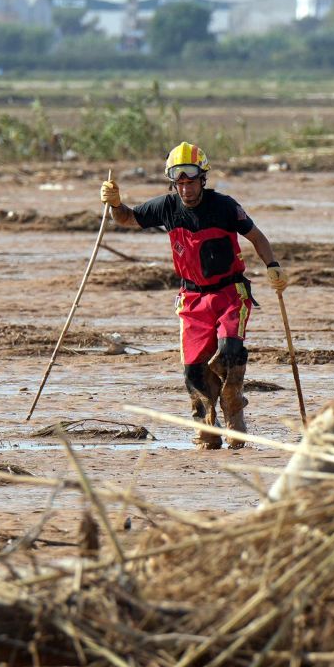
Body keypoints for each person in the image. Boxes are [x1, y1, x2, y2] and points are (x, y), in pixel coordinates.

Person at [99, 143, 287, 449]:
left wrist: (273, 266)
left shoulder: (225, 207)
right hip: (192, 300)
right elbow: (127, 218)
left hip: (230, 294)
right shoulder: (166, 207)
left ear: (203, 179)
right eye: (180, 183)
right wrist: (116, 203)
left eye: (192, 182)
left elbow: (256, 236)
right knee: (195, 370)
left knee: (230, 352)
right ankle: (206, 429)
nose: (186, 189)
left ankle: (234, 412)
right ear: (174, 184)